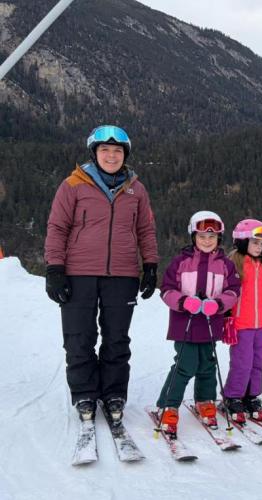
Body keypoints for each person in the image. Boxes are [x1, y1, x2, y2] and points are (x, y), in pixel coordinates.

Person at [44, 125, 158, 424]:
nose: (111, 155)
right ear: (94, 153)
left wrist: (151, 265)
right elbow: (57, 228)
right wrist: (55, 269)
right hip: (78, 273)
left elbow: (145, 230)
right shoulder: (73, 185)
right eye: (105, 150)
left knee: (117, 339)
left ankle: (113, 393)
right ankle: (84, 393)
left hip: (122, 275)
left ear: (125, 155)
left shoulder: (136, 189)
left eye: (117, 151)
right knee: (79, 337)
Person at [155, 211, 240, 436]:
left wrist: (219, 304)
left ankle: (205, 400)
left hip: (211, 324)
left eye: (211, 237)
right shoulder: (180, 262)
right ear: (193, 236)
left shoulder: (225, 265)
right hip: (185, 324)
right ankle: (168, 405)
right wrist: (183, 302)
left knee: (207, 365)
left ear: (219, 238)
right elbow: (166, 291)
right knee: (185, 365)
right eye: (201, 236)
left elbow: (233, 291)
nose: (206, 241)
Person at [220, 219, 262, 423]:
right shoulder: (233, 263)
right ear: (242, 242)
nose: (259, 247)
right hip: (241, 324)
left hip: (260, 324)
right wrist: (227, 317)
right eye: (255, 242)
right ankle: (233, 396)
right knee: (242, 363)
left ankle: (251, 396)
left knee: (258, 361)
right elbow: (226, 291)